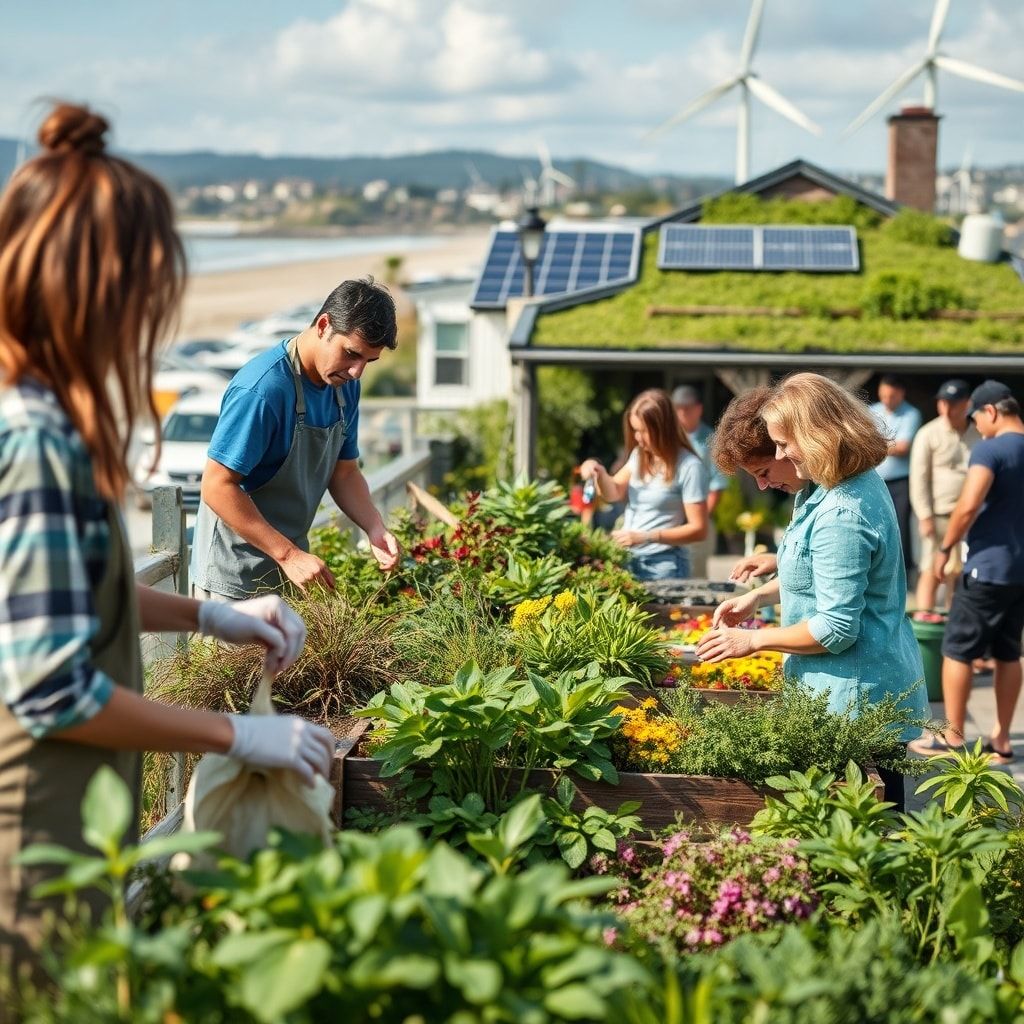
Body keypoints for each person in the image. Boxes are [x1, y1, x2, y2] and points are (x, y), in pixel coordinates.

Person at [0, 103, 336, 990]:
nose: (151, 315)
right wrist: (238, 737)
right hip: (31, 847)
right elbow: (52, 688)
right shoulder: (32, 438)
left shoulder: (38, 420)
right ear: (94, 292)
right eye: (147, 292)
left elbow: (79, 588)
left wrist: (212, 612)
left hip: (72, 827)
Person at [697, 373, 930, 809]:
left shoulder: (842, 510)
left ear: (817, 434)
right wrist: (758, 597)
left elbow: (836, 628)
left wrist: (752, 639)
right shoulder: (832, 486)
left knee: (866, 834)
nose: (780, 453)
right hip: (852, 698)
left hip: (856, 702)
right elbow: (822, 573)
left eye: (783, 446)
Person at [192, 278, 401, 600]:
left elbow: (344, 472)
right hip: (233, 580)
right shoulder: (263, 389)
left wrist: (374, 526)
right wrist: (288, 555)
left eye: (368, 362)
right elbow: (216, 486)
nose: (357, 372)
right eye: (351, 354)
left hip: (291, 572)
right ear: (323, 325)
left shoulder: (344, 386)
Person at [909, 381, 1024, 765]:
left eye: (977, 418)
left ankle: (952, 740)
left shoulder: (990, 449)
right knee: (1009, 653)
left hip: (988, 566)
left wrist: (945, 549)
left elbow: (967, 505)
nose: (977, 427)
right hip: (1020, 571)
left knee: (956, 650)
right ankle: (1002, 742)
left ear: (991, 411)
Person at [580, 388, 708, 581]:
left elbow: (699, 529)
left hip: (665, 565)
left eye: (643, 431)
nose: (637, 438)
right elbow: (613, 492)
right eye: (635, 430)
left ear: (662, 428)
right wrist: (598, 471)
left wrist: (646, 537)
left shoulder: (689, 467)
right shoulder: (639, 456)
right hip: (630, 559)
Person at [709, 385, 806, 584]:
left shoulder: (837, 503)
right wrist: (779, 561)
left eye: (763, 472)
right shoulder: (807, 494)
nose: (762, 485)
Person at [908, 379, 979, 612]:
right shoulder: (928, 433)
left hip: (970, 517)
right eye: (943, 403)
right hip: (938, 515)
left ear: (967, 404)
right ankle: (924, 624)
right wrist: (924, 515)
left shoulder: (978, 432)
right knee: (930, 569)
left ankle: (954, 623)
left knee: (960, 573)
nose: (947, 409)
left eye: (953, 404)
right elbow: (918, 478)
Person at [672, 385, 729, 578]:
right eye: (677, 408)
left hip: (697, 519)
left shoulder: (711, 440)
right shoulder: (668, 439)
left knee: (695, 580)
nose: (682, 413)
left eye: (686, 408)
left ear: (698, 409)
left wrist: (698, 520)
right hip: (668, 519)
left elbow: (717, 486)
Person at [870, 374, 922, 578]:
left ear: (901, 394)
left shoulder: (911, 414)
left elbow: (902, 447)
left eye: (891, 396)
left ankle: (902, 573)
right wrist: (884, 445)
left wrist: (875, 444)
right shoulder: (871, 411)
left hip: (900, 481)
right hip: (875, 479)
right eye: (883, 396)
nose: (886, 401)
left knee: (900, 527)